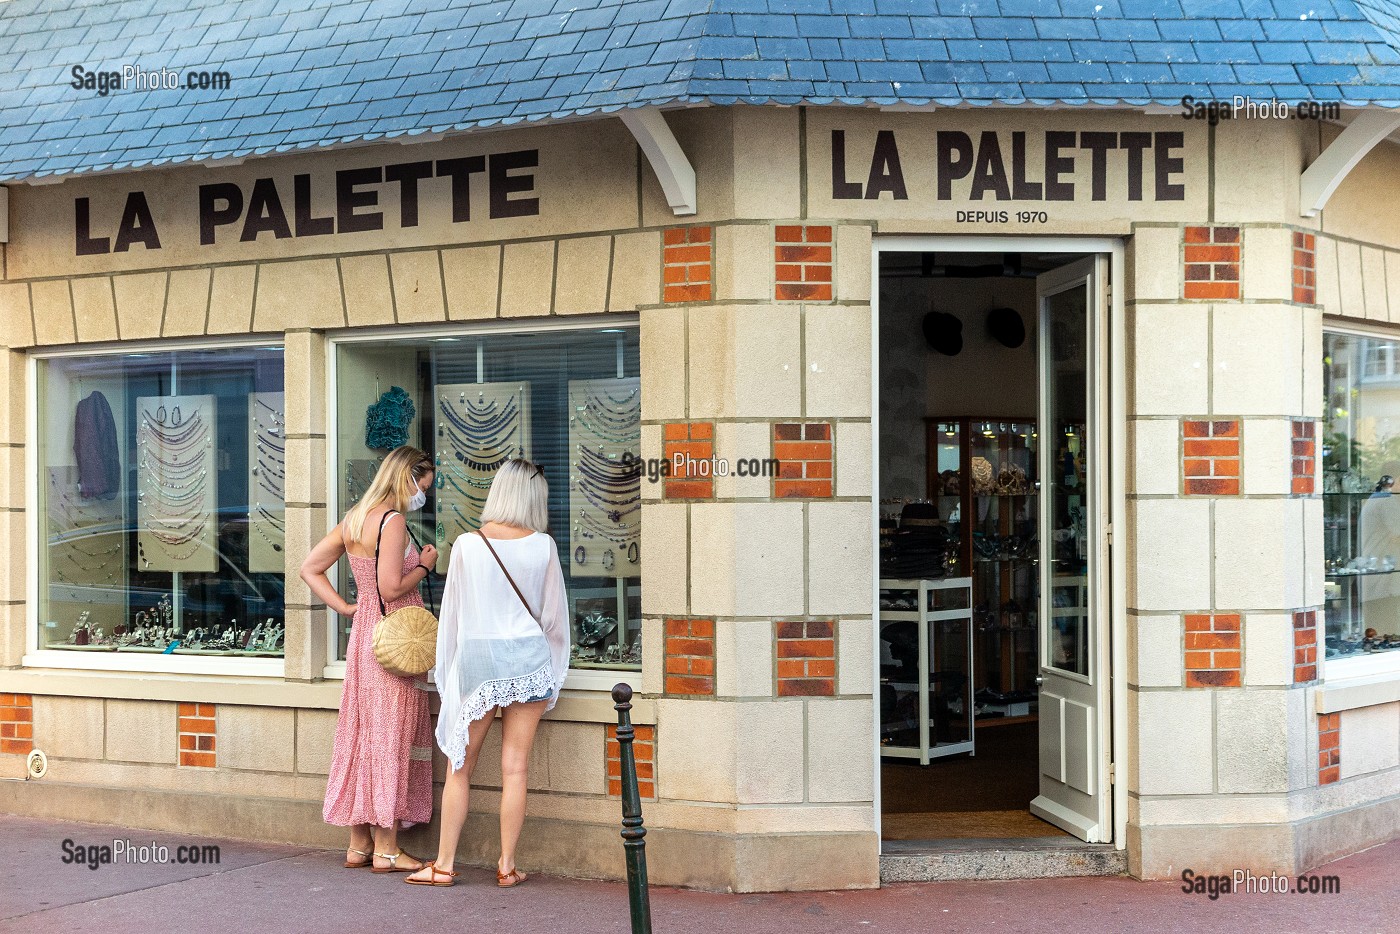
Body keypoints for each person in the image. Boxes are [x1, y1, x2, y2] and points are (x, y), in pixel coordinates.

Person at [406, 458, 570, 888]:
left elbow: (453, 619)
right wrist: (553, 670)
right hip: (527, 659)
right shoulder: (543, 546)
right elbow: (554, 621)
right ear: (536, 497)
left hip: (478, 660)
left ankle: (443, 864)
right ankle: (507, 865)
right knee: (515, 769)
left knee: (461, 766)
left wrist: (447, 672)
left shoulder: (466, 545)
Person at [300, 445, 438, 874]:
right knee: (391, 737)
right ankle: (389, 849)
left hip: (364, 635)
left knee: (364, 735)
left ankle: (359, 844)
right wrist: (426, 566)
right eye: (421, 485)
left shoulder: (357, 517)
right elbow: (392, 587)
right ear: (405, 479)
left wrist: (345, 607)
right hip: (394, 637)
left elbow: (309, 567)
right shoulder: (392, 521)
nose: (423, 496)